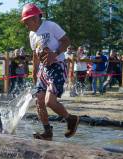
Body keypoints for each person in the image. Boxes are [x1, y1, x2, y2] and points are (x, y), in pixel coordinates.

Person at [21, 3, 79, 140]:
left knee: (49, 102)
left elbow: (66, 41)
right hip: (43, 69)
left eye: (26, 21)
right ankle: (47, 132)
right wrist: (34, 72)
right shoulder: (31, 35)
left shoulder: (50, 26)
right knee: (39, 101)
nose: (25, 25)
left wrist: (56, 52)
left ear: (35, 18)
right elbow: (35, 55)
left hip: (57, 66)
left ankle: (70, 119)